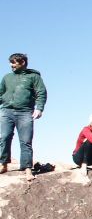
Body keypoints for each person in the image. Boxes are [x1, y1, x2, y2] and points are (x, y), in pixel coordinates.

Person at [0, 53, 47, 181]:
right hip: (6, 111)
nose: (11, 65)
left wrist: (39, 108)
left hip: (25, 112)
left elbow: (41, 92)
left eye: (14, 62)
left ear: (23, 63)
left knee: (26, 141)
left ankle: (27, 168)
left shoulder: (34, 77)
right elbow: (1, 92)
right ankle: (3, 164)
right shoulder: (7, 77)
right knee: (4, 137)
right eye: (10, 62)